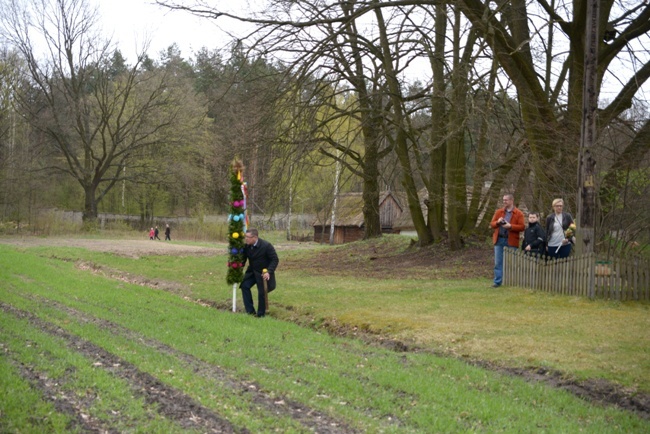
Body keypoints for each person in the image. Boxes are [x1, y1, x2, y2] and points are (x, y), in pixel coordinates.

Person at [240, 228, 279, 317]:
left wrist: (269, 271)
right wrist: (237, 267)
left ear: (255, 237)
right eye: (245, 237)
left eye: (248, 237)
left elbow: (275, 259)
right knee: (244, 286)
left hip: (263, 273)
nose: (246, 239)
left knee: (262, 292)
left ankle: (261, 315)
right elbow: (243, 259)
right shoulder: (246, 246)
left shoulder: (266, 246)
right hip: (252, 271)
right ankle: (250, 312)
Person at [490, 193, 525, 287]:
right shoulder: (499, 212)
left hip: (512, 240)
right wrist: (497, 222)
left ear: (511, 201)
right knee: (498, 262)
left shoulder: (519, 213)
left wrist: (510, 226)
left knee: (512, 262)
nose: (504, 201)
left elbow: (522, 227)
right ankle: (497, 282)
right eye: (503, 200)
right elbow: (492, 224)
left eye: (506, 200)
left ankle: (512, 282)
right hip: (499, 240)